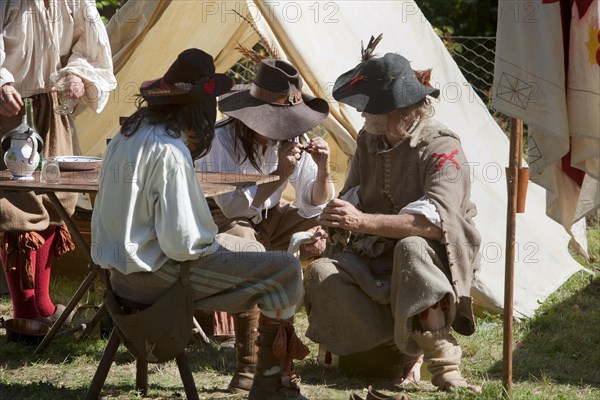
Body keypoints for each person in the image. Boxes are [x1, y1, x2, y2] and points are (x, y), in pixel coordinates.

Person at [91, 48, 309, 400]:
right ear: (199, 107)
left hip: (119, 279)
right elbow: (184, 244)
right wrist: (216, 244)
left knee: (254, 255)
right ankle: (270, 384)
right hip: (160, 279)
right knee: (284, 269)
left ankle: (263, 376)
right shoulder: (171, 151)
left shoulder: (127, 136)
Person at [304, 48, 482, 394]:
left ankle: (444, 366)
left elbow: (434, 225)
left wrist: (360, 221)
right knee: (323, 273)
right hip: (374, 258)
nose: (362, 112)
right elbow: (352, 196)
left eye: (371, 108)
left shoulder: (441, 148)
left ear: (399, 111)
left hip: (431, 260)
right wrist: (333, 225)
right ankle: (392, 346)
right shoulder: (369, 141)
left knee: (412, 248)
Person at [195, 58, 333, 393]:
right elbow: (236, 206)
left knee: (325, 218)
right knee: (250, 247)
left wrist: (324, 167)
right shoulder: (219, 141)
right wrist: (279, 176)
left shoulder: (289, 139)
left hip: (266, 217)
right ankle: (249, 367)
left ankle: (305, 345)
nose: (279, 130)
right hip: (221, 220)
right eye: (273, 122)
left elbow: (313, 201)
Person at [0, 0, 116, 324]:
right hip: (7, 109)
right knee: (16, 206)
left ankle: (42, 305)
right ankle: (25, 313)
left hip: (50, 107)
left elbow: (90, 45)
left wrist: (78, 73)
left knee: (56, 198)